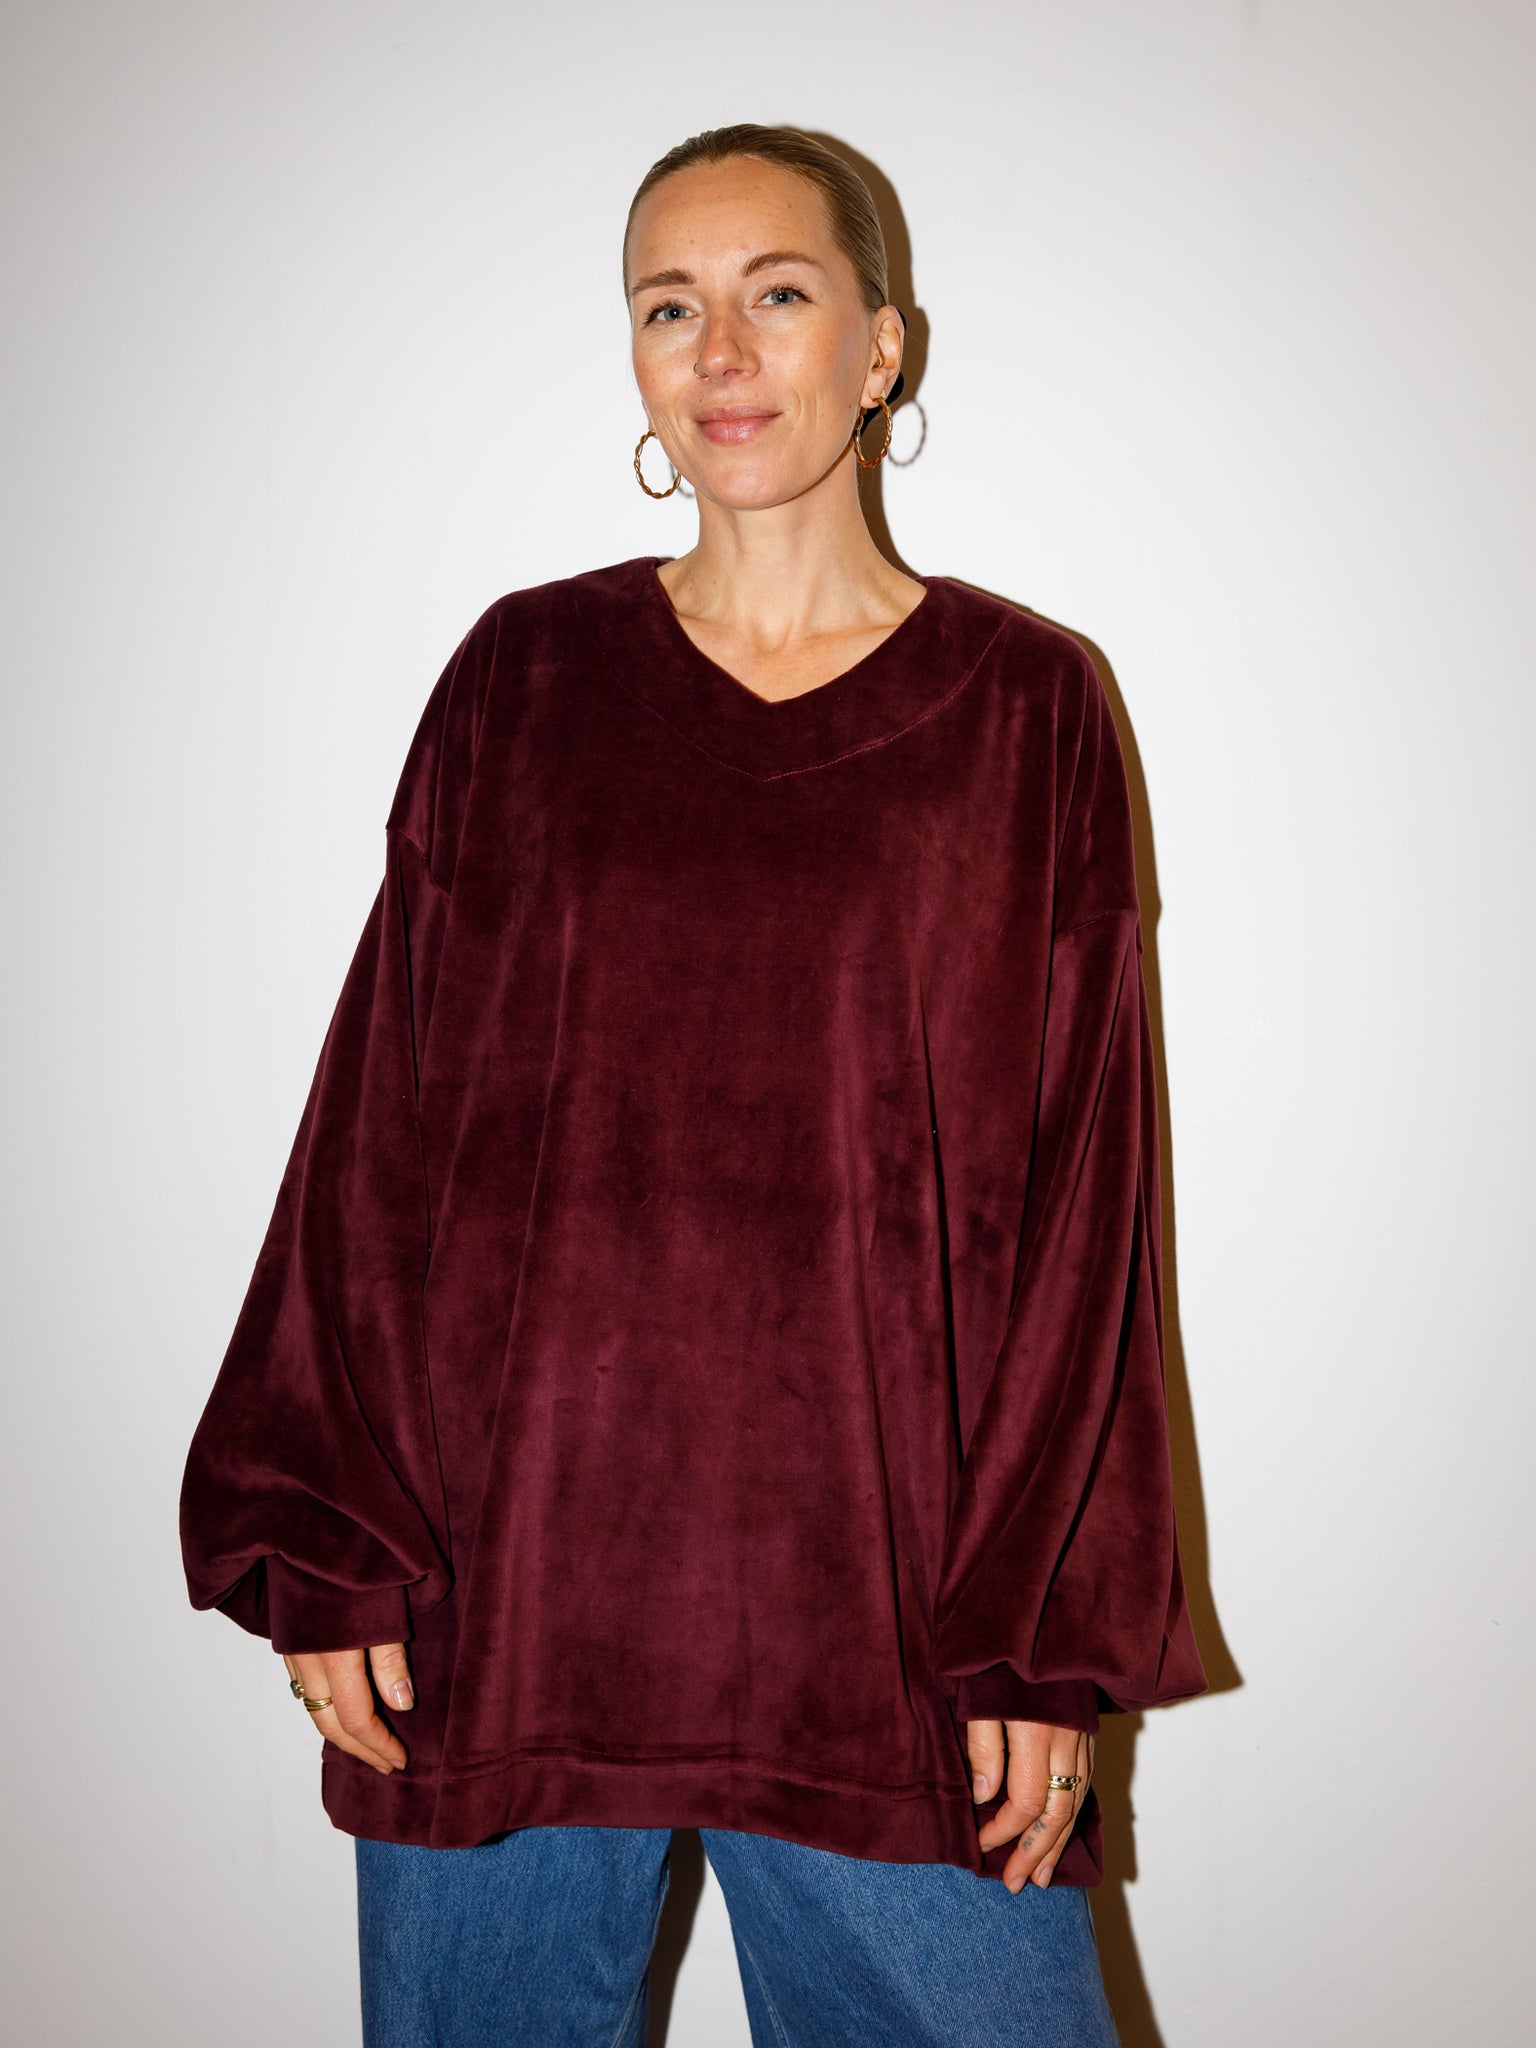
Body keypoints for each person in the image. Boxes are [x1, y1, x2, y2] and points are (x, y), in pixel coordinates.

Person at [180, 124, 1207, 2046]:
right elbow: (375, 1137)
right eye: (671, 306)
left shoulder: (1028, 712)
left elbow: (1089, 1219)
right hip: (504, 1604)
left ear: (882, 346)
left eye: (778, 294)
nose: (722, 351)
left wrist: (1040, 1637)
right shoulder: (523, 679)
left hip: (888, 1631)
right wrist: (325, 1532)